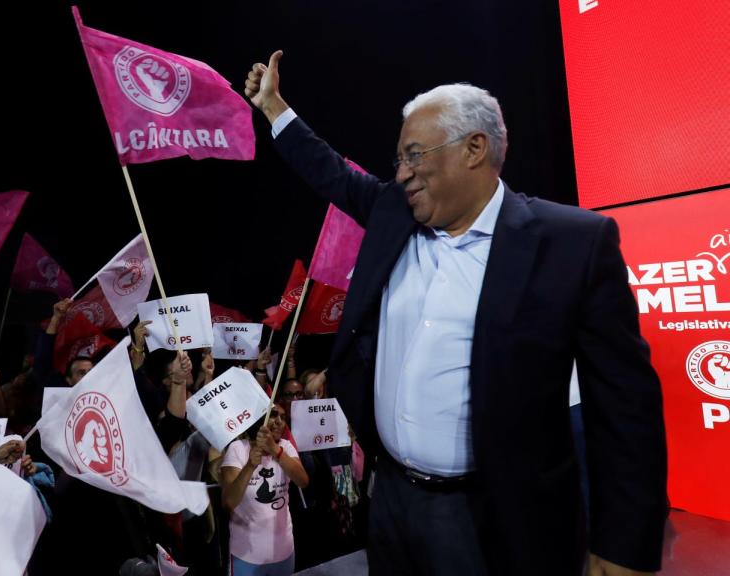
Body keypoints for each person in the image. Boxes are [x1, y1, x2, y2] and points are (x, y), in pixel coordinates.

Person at [244, 51, 666, 575]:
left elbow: (625, 409)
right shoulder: (394, 213)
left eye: (414, 155)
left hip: (494, 518)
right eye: (398, 159)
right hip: (392, 503)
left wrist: (624, 546)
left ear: (474, 148)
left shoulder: (572, 244)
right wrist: (274, 108)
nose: (401, 174)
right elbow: (330, 172)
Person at [221, 403, 309, 576]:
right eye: (274, 415)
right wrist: (249, 466)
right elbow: (228, 503)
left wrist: (275, 450)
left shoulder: (286, 447)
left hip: (284, 551)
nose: (279, 422)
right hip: (246, 555)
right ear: (260, 419)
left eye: (283, 418)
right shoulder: (238, 449)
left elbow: (303, 481)